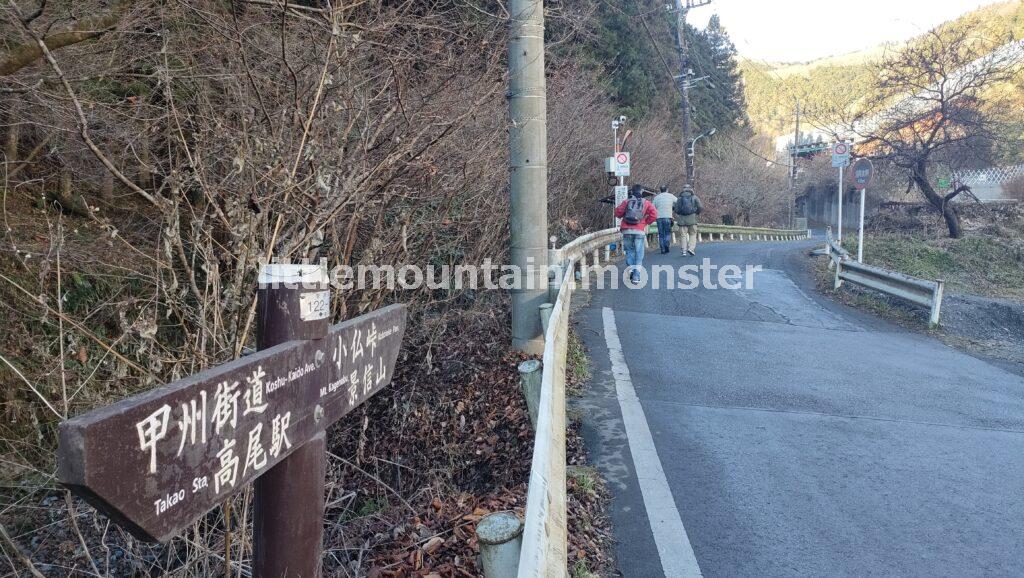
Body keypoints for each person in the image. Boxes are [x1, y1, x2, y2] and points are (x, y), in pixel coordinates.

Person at [615, 185, 658, 284]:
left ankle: (630, 269)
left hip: (626, 230)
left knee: (629, 250)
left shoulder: (627, 201)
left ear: (632, 192)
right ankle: (636, 276)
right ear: (641, 192)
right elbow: (654, 214)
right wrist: (646, 222)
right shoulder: (646, 203)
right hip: (639, 231)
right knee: (639, 253)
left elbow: (617, 213)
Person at [674, 184, 703, 256]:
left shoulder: (679, 198)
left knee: (683, 235)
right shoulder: (694, 197)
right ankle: (691, 248)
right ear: (690, 189)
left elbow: (676, 209)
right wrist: (696, 213)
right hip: (692, 219)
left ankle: (684, 251)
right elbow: (700, 207)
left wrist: (680, 213)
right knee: (693, 234)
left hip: (682, 220)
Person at [652, 185, 678, 254]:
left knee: (661, 234)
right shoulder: (671, 196)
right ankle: (666, 244)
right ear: (667, 189)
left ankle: (662, 249)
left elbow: (652, 207)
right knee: (667, 233)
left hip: (659, 218)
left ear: (660, 190)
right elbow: (678, 202)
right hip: (668, 217)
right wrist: (673, 208)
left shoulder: (656, 197)